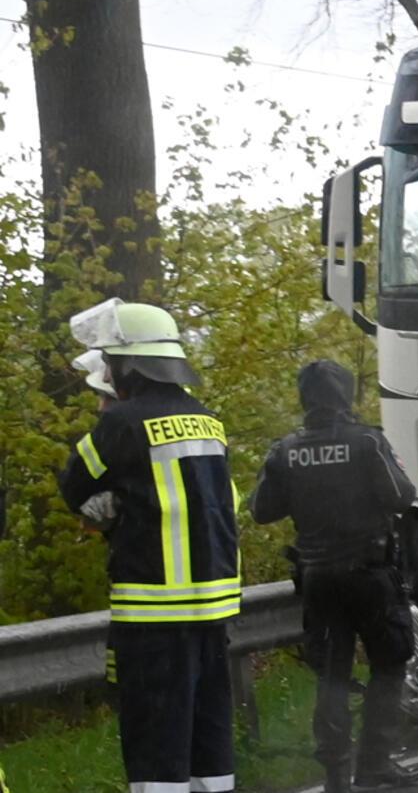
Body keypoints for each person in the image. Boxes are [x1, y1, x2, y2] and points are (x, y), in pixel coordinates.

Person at [57, 299, 240, 793]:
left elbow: (73, 486)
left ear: (125, 364)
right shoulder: (208, 421)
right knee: (210, 738)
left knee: (155, 739)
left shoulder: (120, 424)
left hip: (152, 612)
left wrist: (114, 502)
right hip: (212, 608)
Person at [252, 361, 418, 793]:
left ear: (304, 398)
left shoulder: (285, 450)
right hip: (371, 577)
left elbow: (261, 510)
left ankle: (335, 779)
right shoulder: (367, 441)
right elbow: (402, 496)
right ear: (345, 396)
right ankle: (374, 765)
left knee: (331, 676)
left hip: (318, 580)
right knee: (389, 663)